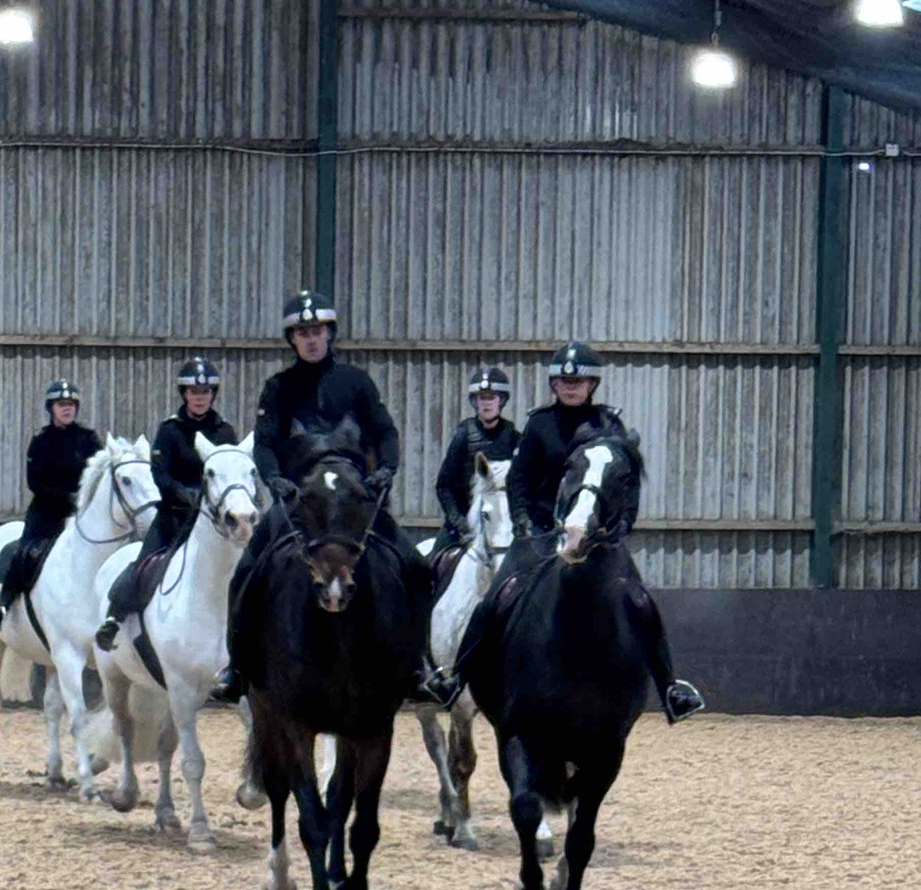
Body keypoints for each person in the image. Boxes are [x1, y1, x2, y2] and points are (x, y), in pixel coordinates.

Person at [210, 289, 446, 704]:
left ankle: (418, 664)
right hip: (302, 498)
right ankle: (238, 667)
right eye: (302, 333)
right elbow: (265, 444)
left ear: (329, 333)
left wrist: (387, 470)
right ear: (293, 340)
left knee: (414, 566)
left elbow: (385, 432)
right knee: (247, 570)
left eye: (316, 330)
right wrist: (275, 480)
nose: (311, 338)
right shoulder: (278, 388)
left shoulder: (357, 382)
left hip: (354, 497)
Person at [452, 341, 704, 724]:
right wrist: (523, 523)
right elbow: (519, 481)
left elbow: (627, 481)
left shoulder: (609, 425)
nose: (571, 386)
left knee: (639, 601)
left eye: (579, 380)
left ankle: (670, 689)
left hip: (598, 538)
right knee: (496, 599)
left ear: (592, 385)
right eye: (564, 380)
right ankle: (456, 678)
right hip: (540, 535)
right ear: (554, 385)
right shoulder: (539, 425)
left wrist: (621, 526)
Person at [94, 356, 238, 651]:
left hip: (213, 523)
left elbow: (229, 471)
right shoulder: (170, 430)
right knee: (141, 565)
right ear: (184, 394)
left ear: (213, 394)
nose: (200, 398)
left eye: (206, 392)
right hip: (174, 517)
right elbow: (159, 473)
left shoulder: (225, 432)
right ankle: (114, 618)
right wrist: (183, 494)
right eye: (194, 393)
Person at [0, 380, 102, 631]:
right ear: (52, 408)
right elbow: (35, 481)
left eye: (70, 405)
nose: (67, 409)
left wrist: (83, 502)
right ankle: (3, 605)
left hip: (82, 514)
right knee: (26, 552)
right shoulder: (41, 441)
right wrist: (66, 497)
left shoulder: (89, 440)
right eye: (61, 405)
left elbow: (99, 476)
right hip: (48, 512)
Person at [430, 366, 520, 557]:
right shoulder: (463, 435)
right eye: (482, 398)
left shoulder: (514, 437)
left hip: (500, 521)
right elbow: (443, 485)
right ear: (475, 401)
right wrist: (458, 521)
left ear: (501, 400)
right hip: (463, 522)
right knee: (428, 568)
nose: (486, 404)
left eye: (491, 398)